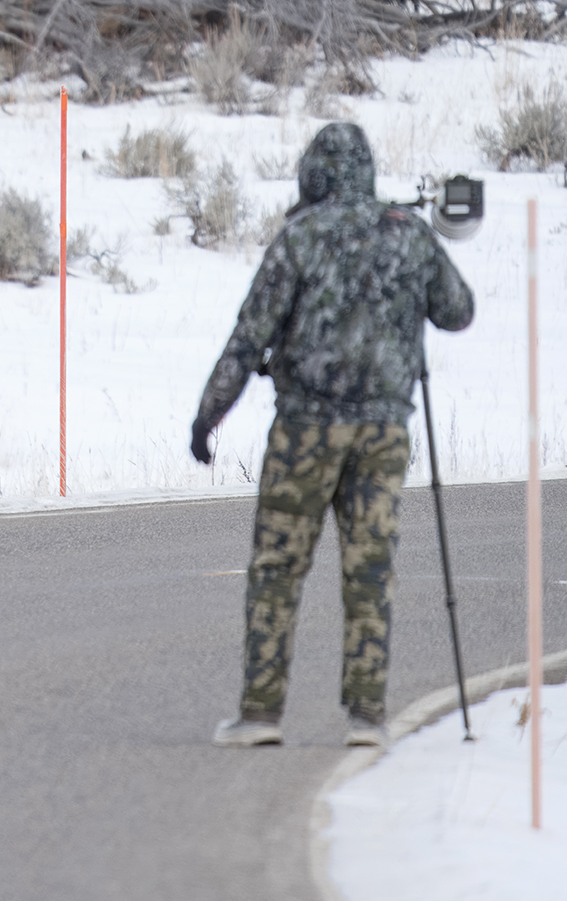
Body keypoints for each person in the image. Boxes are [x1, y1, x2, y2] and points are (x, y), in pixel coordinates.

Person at [191, 122, 475, 749]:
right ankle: (367, 717)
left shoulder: (300, 236)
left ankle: (261, 713)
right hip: (382, 432)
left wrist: (209, 414)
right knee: (370, 568)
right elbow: (458, 311)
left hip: (305, 432)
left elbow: (249, 337)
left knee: (278, 567)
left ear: (313, 174)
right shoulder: (408, 234)